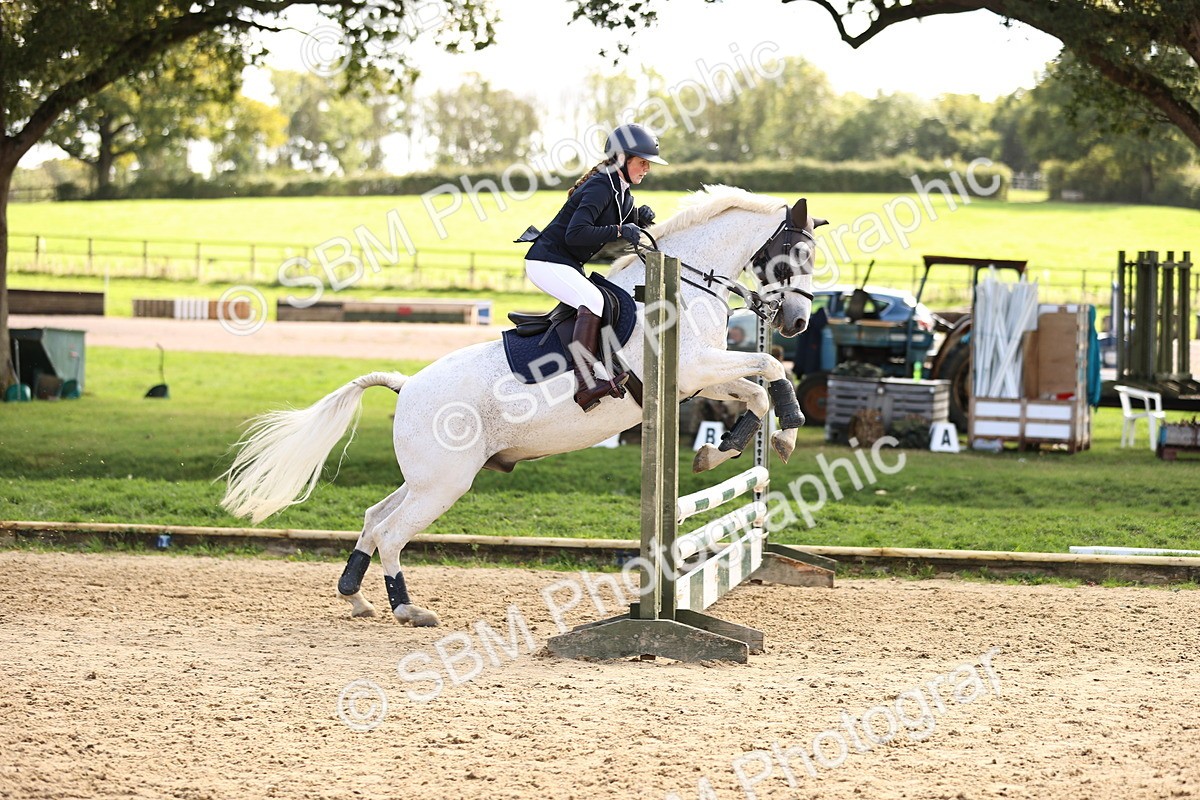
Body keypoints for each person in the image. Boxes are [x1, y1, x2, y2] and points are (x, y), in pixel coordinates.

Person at [523, 123, 667, 411]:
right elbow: (575, 234)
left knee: (597, 298)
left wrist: (637, 217)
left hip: (564, 263)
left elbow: (613, 219)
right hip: (545, 261)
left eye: (648, 163)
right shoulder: (602, 184)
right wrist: (618, 229)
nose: (646, 168)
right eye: (642, 162)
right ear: (622, 159)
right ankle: (586, 386)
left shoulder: (621, 190)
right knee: (593, 299)